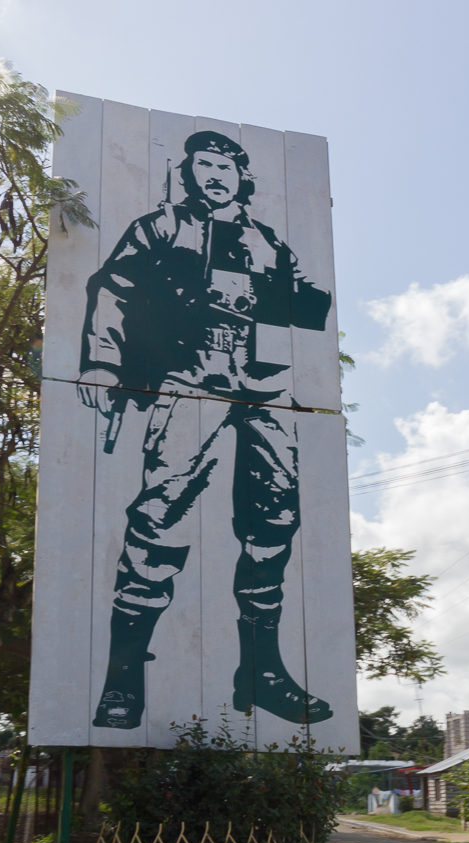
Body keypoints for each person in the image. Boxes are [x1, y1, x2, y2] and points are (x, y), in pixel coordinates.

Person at [78, 130, 333, 730]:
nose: (214, 175)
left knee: (275, 520)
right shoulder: (159, 227)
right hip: (189, 383)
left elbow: (308, 307)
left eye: (224, 166)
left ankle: (261, 673)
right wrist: (102, 360)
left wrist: (304, 298)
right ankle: (122, 679)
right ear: (187, 174)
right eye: (203, 165)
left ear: (243, 177)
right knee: (160, 517)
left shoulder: (268, 241)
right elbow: (112, 289)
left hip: (265, 390)